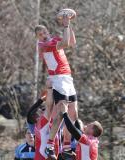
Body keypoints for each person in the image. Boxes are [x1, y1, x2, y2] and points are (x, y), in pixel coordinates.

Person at [35, 14, 78, 159]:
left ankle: (66, 147)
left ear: (48, 31)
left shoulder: (53, 40)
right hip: (58, 79)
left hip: (68, 78)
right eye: (40, 35)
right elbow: (65, 44)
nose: (44, 35)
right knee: (61, 113)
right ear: (38, 38)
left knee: (73, 114)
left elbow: (71, 42)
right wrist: (65, 25)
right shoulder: (43, 45)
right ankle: (49, 145)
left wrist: (69, 23)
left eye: (45, 32)